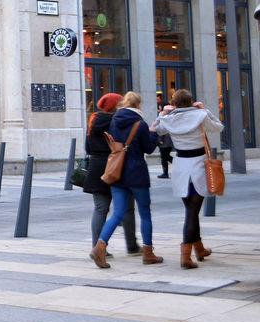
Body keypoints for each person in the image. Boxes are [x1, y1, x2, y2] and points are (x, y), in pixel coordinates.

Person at [151, 90, 224, 269]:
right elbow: (218, 126)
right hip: (198, 165)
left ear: (174, 103)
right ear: (191, 102)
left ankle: (198, 249)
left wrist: (162, 113)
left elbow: (154, 129)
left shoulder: (169, 119)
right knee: (192, 212)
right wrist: (205, 110)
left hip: (181, 166)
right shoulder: (200, 115)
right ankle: (185, 255)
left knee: (191, 210)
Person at [90, 92, 163, 269]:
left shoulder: (114, 120)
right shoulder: (141, 123)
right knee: (145, 213)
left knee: (117, 213)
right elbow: (148, 147)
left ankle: (100, 246)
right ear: (138, 105)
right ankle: (148, 252)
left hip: (118, 173)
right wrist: (153, 133)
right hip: (137, 172)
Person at [82, 93, 140, 258]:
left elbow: (87, 148)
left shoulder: (93, 120)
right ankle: (132, 246)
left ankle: (98, 247)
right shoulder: (119, 121)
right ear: (116, 105)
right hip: (117, 167)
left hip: (96, 167)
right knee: (127, 208)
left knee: (100, 209)